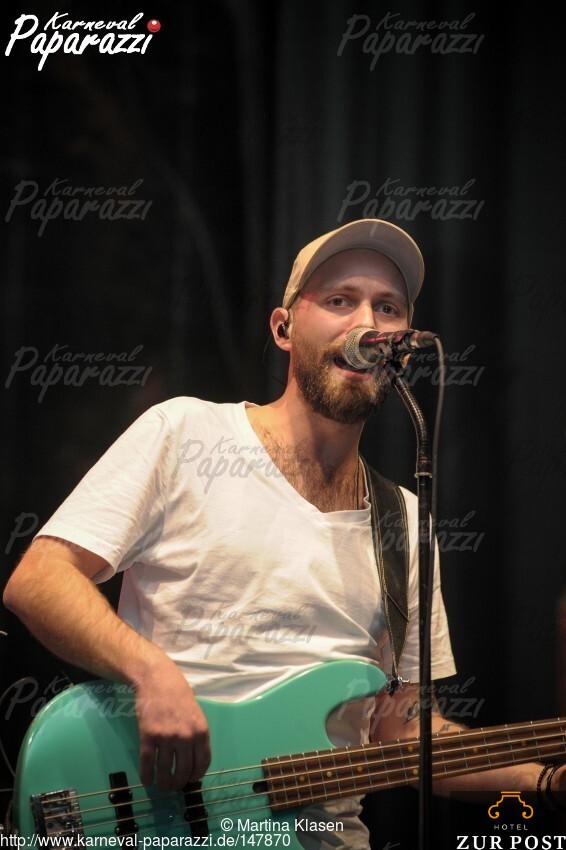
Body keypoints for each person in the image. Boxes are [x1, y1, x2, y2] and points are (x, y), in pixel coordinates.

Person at [3, 219, 565, 849]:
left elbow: (402, 734)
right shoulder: (186, 435)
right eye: (340, 300)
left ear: (404, 344)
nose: (367, 323)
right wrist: (150, 673)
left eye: (387, 308)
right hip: (165, 822)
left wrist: (544, 780)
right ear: (283, 328)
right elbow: (39, 580)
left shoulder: (404, 520)